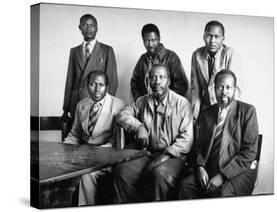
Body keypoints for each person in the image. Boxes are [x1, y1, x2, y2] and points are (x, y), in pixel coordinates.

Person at [113, 64, 193, 203]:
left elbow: (186, 139)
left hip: (173, 157)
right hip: (147, 153)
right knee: (122, 171)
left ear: (169, 81)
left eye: (162, 77)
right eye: (153, 77)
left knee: (160, 174)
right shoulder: (142, 101)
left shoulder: (182, 104)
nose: (157, 82)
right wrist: (138, 126)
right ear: (148, 81)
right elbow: (122, 116)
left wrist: (163, 158)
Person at [179, 70, 259, 199]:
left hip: (237, 171)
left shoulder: (247, 111)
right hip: (209, 167)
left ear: (235, 90)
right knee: (186, 186)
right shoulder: (206, 114)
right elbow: (198, 147)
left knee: (221, 193)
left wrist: (222, 176)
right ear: (214, 89)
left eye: (228, 87)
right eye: (220, 87)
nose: (224, 91)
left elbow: (249, 152)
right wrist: (200, 166)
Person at [64, 70, 124, 206]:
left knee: (87, 173)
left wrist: (97, 152)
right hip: (85, 153)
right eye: (93, 84)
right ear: (87, 86)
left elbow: (117, 139)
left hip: (108, 155)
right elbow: (75, 133)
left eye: (101, 85)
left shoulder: (118, 105)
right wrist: (63, 149)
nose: (97, 89)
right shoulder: (81, 105)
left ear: (107, 87)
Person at [62, 14, 118, 138]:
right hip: (76, 104)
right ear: (79, 27)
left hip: (98, 103)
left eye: (92, 25)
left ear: (97, 28)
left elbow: (112, 81)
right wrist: (66, 108)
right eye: (85, 25)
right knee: (76, 140)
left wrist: (108, 107)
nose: (89, 28)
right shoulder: (74, 51)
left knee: (95, 141)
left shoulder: (106, 50)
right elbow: (69, 80)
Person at [190, 20, 236, 119]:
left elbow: (234, 90)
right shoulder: (197, 55)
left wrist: (229, 117)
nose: (212, 41)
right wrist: (194, 117)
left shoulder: (230, 54)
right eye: (209, 36)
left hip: (226, 108)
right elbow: (195, 90)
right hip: (206, 109)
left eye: (216, 37)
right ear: (204, 37)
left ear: (223, 39)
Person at [130, 23, 188, 101]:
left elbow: (181, 85)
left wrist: (168, 102)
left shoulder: (171, 57)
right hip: (147, 107)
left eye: (153, 40)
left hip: (168, 107)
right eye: (146, 41)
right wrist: (141, 101)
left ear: (159, 38)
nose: (150, 44)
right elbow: (135, 83)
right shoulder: (142, 59)